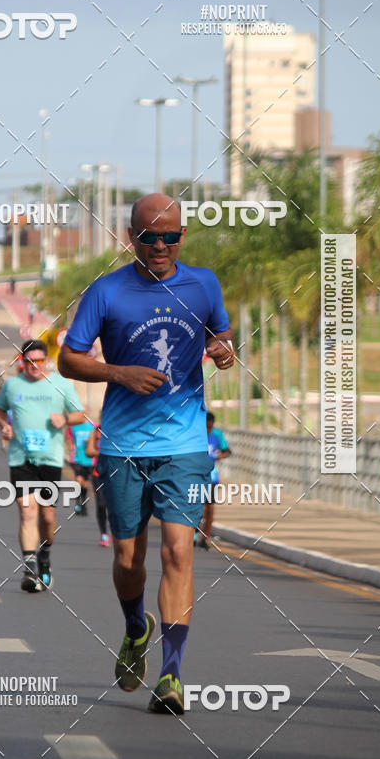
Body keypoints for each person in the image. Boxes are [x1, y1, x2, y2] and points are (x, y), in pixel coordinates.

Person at [58, 193, 234, 715]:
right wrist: (118, 373)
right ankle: (137, 627)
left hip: (184, 445)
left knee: (178, 551)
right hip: (122, 445)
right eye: (148, 236)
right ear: (130, 237)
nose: (160, 246)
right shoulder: (106, 292)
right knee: (127, 557)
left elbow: (220, 336)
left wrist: (224, 352)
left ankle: (172, 675)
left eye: (170, 236)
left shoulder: (203, 283)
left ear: (183, 236)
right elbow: (69, 359)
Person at [0, 339, 85, 593]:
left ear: (47, 361)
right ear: (22, 362)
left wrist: (65, 418)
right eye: (29, 361)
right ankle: (29, 567)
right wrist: (4, 426)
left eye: (39, 361)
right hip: (21, 458)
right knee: (26, 511)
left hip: (51, 459)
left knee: (47, 516)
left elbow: (81, 414)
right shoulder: (12, 385)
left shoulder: (62, 384)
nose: (35, 366)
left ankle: (44, 553)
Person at [195, 411, 231, 550]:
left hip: (212, 476)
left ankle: (205, 537)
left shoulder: (217, 435)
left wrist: (221, 456)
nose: (208, 430)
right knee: (200, 507)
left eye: (210, 427)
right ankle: (194, 533)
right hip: (196, 475)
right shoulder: (196, 434)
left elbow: (227, 451)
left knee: (210, 508)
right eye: (206, 427)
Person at [86, 421, 110, 547]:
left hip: (116, 474)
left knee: (114, 506)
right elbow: (89, 451)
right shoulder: (96, 431)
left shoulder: (118, 429)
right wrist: (106, 452)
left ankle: (117, 532)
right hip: (98, 474)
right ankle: (104, 533)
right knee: (101, 504)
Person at [69, 420, 94, 516]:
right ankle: (77, 504)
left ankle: (83, 504)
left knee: (85, 484)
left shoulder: (93, 425)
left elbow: (97, 438)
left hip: (88, 459)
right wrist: (71, 446)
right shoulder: (73, 426)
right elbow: (69, 439)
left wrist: (90, 441)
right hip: (76, 458)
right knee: (78, 480)